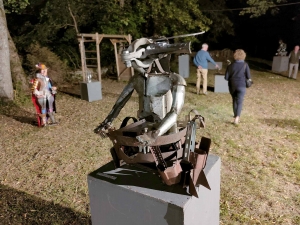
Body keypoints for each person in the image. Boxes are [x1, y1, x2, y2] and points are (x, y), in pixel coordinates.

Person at [225, 49, 251, 125]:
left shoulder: (230, 66)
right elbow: (248, 76)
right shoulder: (245, 65)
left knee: (234, 100)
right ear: (244, 56)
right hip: (242, 85)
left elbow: (226, 78)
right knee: (240, 101)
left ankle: (235, 114)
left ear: (235, 55)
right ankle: (237, 117)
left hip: (232, 85)